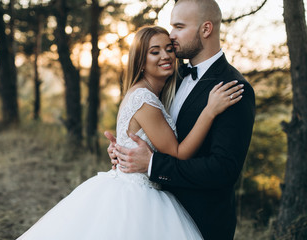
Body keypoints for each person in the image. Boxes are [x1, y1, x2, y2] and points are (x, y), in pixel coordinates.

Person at [16, 26, 242, 240]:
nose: (165, 55)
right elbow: (178, 152)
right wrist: (209, 112)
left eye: (169, 49)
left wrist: (121, 149)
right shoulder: (144, 98)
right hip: (137, 195)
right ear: (141, 61)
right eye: (155, 52)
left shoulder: (150, 92)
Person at [106, 1, 255, 240]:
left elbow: (222, 170)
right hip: (149, 214)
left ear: (205, 29)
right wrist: (126, 151)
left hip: (199, 222)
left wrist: (152, 165)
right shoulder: (170, 76)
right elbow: (149, 127)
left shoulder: (232, 88)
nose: (171, 35)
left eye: (178, 26)